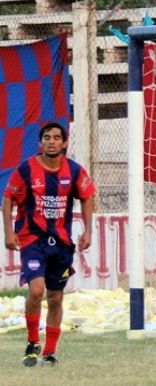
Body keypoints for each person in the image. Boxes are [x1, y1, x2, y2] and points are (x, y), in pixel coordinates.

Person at [3, 122, 96, 367]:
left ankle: (50, 352)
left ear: (65, 143)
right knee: (36, 291)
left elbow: (87, 197)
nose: (51, 141)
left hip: (62, 244)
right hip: (33, 240)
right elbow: (8, 197)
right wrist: (9, 232)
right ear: (40, 142)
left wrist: (88, 230)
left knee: (55, 298)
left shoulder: (74, 171)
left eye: (56, 137)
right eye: (47, 137)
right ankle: (32, 341)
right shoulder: (26, 169)